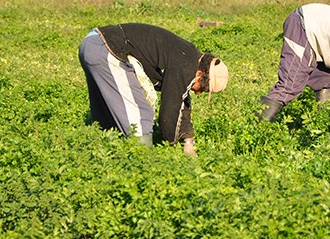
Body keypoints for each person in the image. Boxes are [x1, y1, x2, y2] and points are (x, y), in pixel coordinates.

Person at [79, 23, 229, 157]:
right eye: (202, 89)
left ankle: (96, 155)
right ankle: (144, 163)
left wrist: (188, 142)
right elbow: (170, 110)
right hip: (107, 49)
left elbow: (182, 99)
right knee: (142, 113)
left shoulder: (189, 59)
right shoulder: (185, 67)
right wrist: (170, 149)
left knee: (106, 121)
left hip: (93, 42)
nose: (197, 93)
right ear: (200, 74)